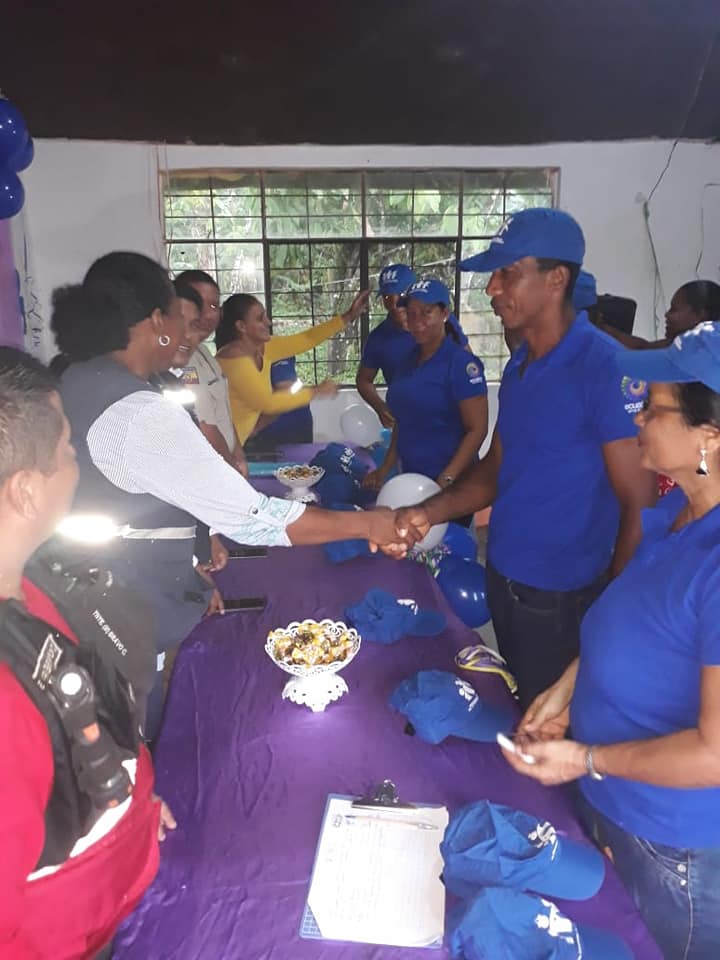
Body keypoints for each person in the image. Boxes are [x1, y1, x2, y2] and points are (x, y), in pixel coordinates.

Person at [51, 252, 407, 739]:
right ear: (157, 322)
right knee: (125, 743)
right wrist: (370, 523)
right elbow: (254, 518)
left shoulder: (77, 378)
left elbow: (135, 496)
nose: (189, 327)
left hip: (81, 596)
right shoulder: (139, 413)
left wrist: (187, 562)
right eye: (179, 316)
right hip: (111, 618)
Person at [502, 323, 720, 959]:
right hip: (620, 804)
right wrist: (570, 687)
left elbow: (714, 755)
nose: (638, 418)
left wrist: (585, 758)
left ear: (709, 435)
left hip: (675, 843)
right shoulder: (678, 513)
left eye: (653, 407)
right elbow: (638, 626)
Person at [392, 209, 656, 708]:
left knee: (552, 720)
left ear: (557, 279)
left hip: (562, 598)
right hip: (505, 576)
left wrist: (611, 612)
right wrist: (430, 510)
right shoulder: (520, 365)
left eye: (508, 273)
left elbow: (640, 503)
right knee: (519, 704)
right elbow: (497, 466)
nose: (492, 288)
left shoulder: (604, 368)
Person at [0, 347, 174, 959]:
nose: (77, 463)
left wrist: (130, 805)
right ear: (26, 491)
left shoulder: (34, 584)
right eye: (68, 449)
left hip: (115, 875)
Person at [363, 278, 488, 525]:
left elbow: (477, 429)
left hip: (451, 487)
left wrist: (446, 479)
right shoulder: (406, 362)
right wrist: (385, 468)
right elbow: (404, 421)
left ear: (445, 314)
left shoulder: (461, 364)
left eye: (426, 312)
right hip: (412, 478)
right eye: (411, 313)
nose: (417, 321)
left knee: (450, 544)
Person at [215, 291, 368, 444]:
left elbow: (307, 339)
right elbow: (267, 403)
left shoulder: (264, 347)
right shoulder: (234, 360)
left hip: (233, 442)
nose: (268, 322)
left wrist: (349, 316)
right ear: (241, 326)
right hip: (219, 443)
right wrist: (316, 391)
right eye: (260, 318)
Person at [356, 263, 469, 427]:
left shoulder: (443, 322)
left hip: (449, 418)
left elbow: (468, 363)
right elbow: (363, 380)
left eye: (400, 295)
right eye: (387, 297)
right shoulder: (378, 339)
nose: (394, 304)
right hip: (408, 421)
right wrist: (381, 407)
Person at [172, 269, 248, 477]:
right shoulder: (181, 360)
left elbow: (222, 412)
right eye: (198, 302)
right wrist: (231, 473)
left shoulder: (204, 352)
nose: (206, 314)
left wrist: (238, 453)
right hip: (210, 471)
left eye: (213, 306)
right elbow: (205, 426)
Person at [598, 279, 720, 351]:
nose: (667, 315)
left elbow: (639, 352)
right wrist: (604, 329)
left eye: (674, 309)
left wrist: (599, 328)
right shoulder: (677, 346)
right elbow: (644, 347)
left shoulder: (690, 355)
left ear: (698, 316)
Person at [248, 356, 314, 449]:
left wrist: (256, 428)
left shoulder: (277, 353)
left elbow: (285, 390)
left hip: (286, 424)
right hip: (265, 426)